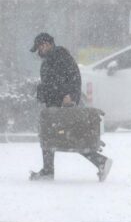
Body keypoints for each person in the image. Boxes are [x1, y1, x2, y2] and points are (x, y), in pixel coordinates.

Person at [29, 33, 113, 182]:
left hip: (63, 104)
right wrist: (42, 91)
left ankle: (99, 161)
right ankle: (99, 162)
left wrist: (69, 96)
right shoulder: (52, 58)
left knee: (63, 136)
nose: (38, 52)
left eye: (39, 48)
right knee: (58, 135)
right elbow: (53, 81)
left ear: (46, 44)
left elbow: (71, 78)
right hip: (56, 104)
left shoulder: (59, 56)